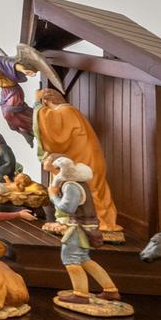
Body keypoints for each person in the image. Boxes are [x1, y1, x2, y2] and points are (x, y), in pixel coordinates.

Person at [33, 81, 124, 243]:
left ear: (47, 101)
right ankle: (88, 221)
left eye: (44, 103)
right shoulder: (70, 111)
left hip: (83, 158)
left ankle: (103, 224)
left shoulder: (65, 111)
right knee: (93, 188)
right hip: (84, 155)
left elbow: (55, 137)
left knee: (92, 188)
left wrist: (37, 106)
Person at [48, 158, 129, 315]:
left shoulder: (71, 185)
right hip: (87, 227)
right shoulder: (80, 184)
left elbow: (67, 207)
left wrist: (53, 196)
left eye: (56, 170)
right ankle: (110, 289)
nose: (55, 174)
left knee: (70, 259)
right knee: (84, 259)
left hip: (79, 228)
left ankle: (80, 294)